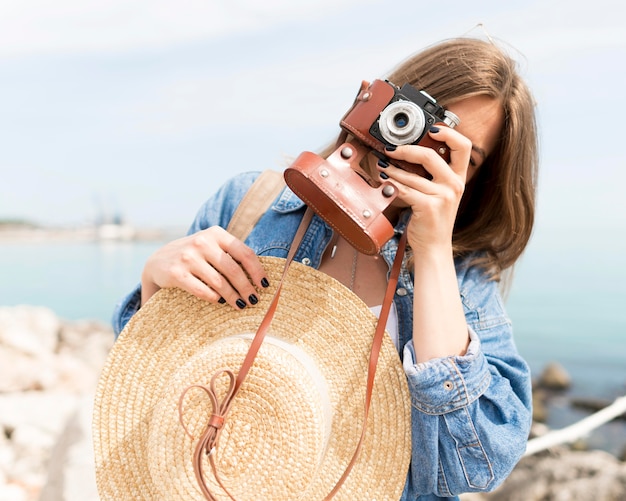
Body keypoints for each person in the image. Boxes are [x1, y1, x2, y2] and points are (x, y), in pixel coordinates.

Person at [112, 37, 538, 500]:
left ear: (476, 178)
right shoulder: (245, 203)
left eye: (452, 154)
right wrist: (154, 284)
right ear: (376, 102)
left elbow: (471, 467)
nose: (417, 153)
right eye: (414, 123)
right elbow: (152, 381)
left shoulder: (462, 272)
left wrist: (433, 251)